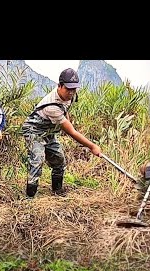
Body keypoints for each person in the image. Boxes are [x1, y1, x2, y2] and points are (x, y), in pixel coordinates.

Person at [21, 67, 101, 198]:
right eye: (68, 88)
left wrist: (66, 120)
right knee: (37, 160)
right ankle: (30, 197)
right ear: (59, 86)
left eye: (74, 89)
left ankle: (57, 191)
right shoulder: (51, 106)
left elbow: (66, 107)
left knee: (59, 159)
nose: (71, 92)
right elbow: (72, 132)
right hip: (34, 131)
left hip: (49, 131)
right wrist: (92, 146)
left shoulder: (70, 95)